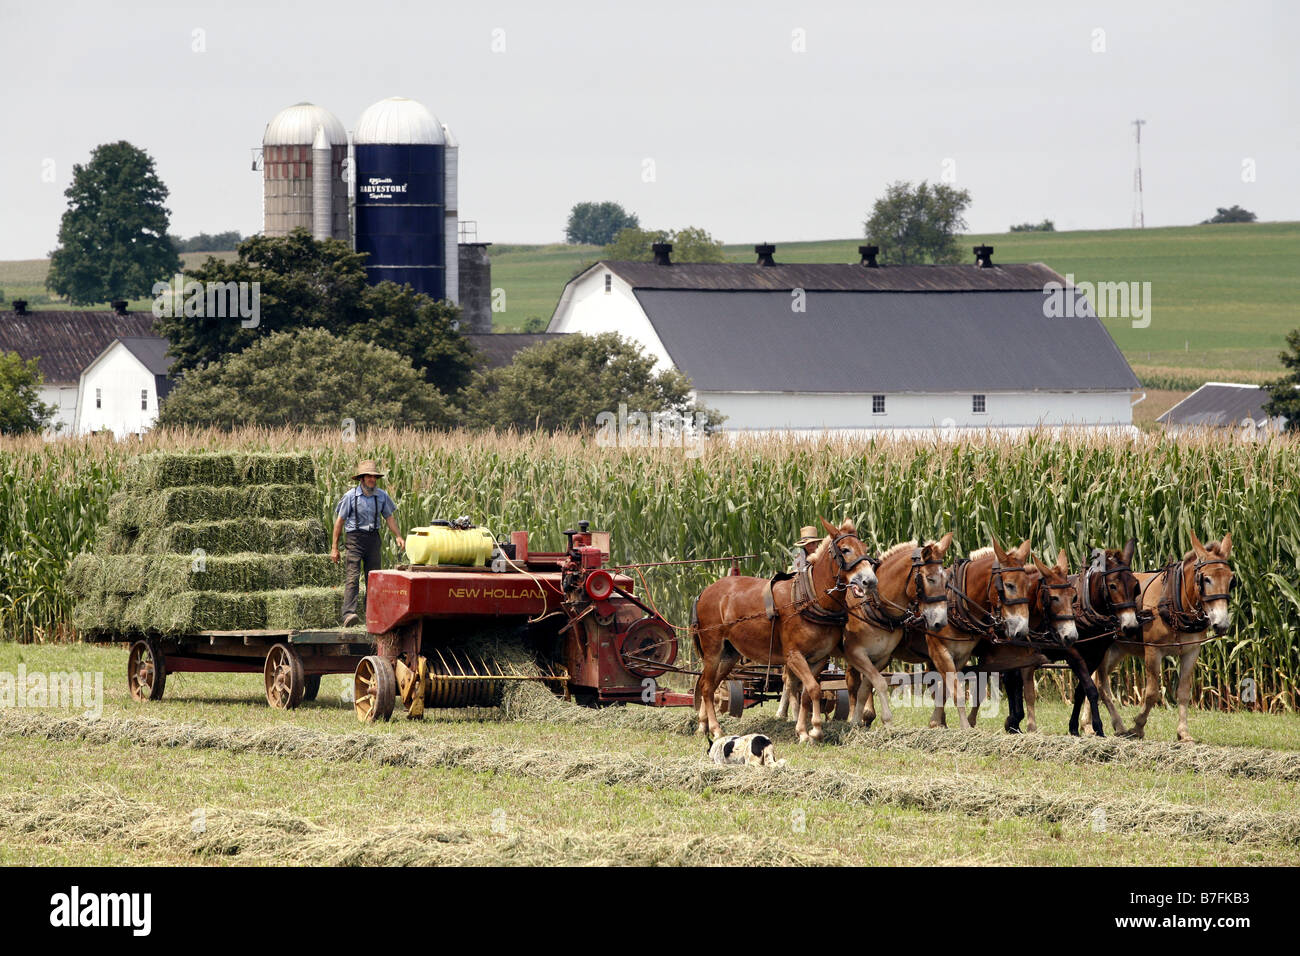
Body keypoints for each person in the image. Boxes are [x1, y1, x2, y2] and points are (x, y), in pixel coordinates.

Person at [331, 459, 404, 627]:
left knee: (374, 579)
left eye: (374, 477)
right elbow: (339, 522)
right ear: (362, 478)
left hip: (373, 539)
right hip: (354, 539)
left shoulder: (382, 496)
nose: (372, 479)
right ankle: (349, 614)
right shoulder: (350, 496)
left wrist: (398, 536)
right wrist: (335, 548)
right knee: (353, 577)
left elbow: (389, 518)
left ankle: (372, 614)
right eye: (369, 476)